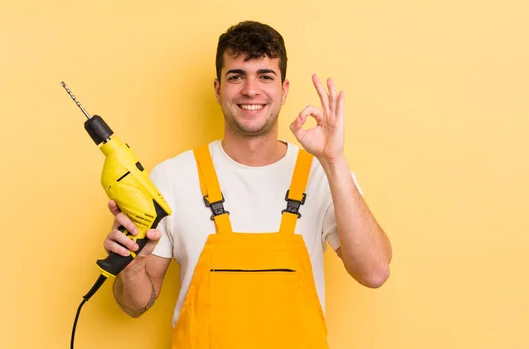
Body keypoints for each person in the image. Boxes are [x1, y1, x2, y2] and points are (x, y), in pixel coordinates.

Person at [103, 20, 392, 349]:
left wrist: (335, 163)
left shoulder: (321, 174)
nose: (250, 90)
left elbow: (374, 273)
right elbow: (136, 304)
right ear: (217, 89)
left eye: (265, 76)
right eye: (236, 76)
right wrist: (132, 267)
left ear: (284, 90)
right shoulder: (172, 178)